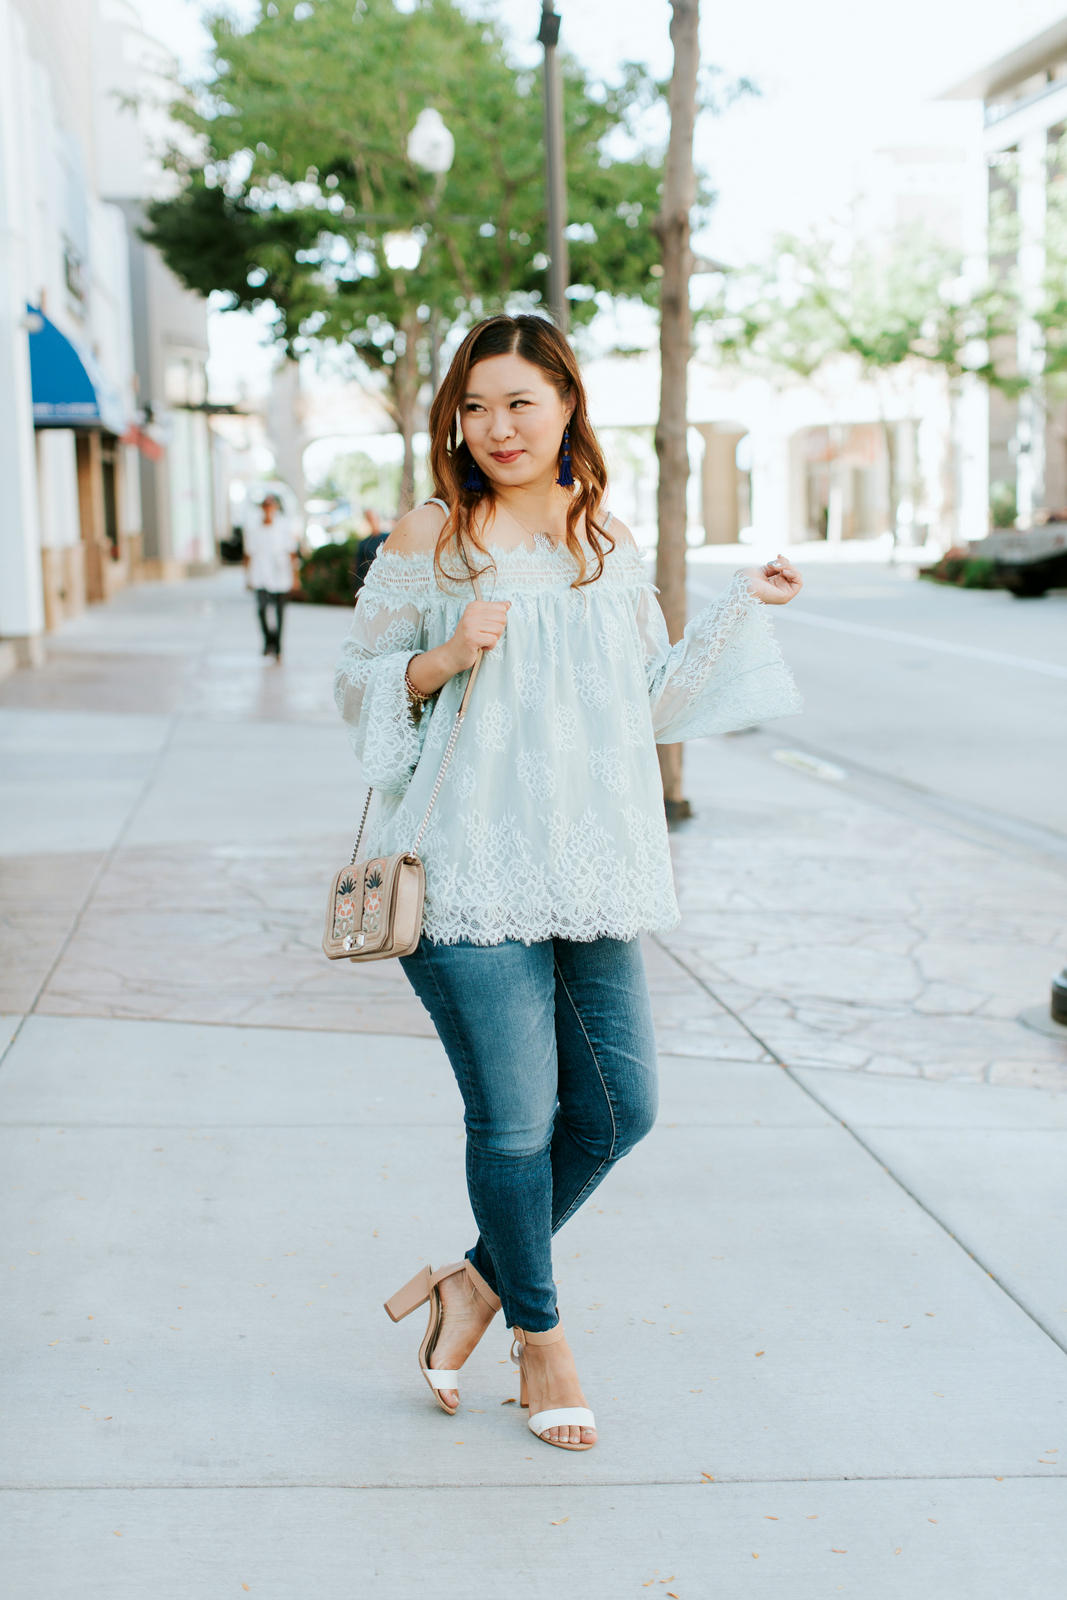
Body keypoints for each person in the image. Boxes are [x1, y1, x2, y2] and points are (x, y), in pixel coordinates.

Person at [333, 314, 803, 1453]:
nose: (494, 427)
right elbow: (354, 692)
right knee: (514, 1123)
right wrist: (439, 658)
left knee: (620, 1111)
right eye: (475, 406)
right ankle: (538, 1334)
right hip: (465, 871)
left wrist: (746, 608)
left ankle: (472, 1284)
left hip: (586, 864)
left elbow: (643, 700)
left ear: (566, 408)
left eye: (518, 403)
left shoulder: (603, 535)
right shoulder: (434, 535)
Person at [244, 491, 298, 659]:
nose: (268, 509)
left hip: (280, 571)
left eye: (271, 505)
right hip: (260, 572)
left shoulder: (283, 525)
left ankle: (278, 645)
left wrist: (296, 576)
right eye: (265, 506)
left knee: (280, 611)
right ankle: (268, 640)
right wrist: (247, 576)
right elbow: (248, 553)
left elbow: (291, 551)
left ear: (275, 507)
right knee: (261, 609)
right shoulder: (254, 528)